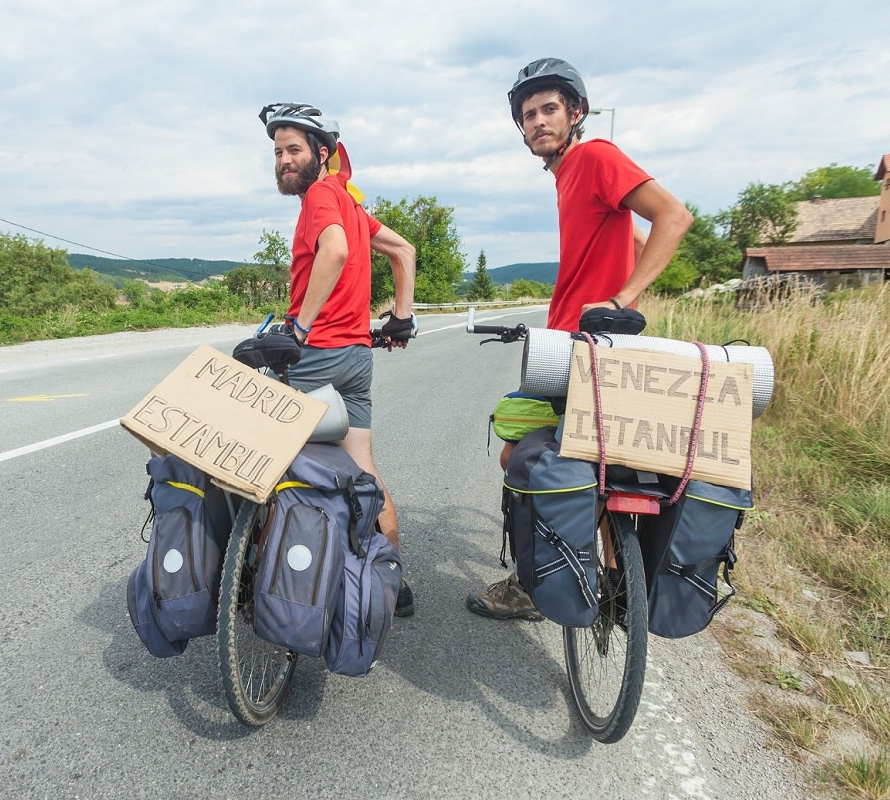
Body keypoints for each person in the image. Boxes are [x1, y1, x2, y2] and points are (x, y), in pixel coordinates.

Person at [466, 59, 693, 621]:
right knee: (600, 464)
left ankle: (534, 583)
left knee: (524, 457)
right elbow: (637, 234)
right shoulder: (570, 173)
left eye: (548, 110)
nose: (537, 122)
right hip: (587, 347)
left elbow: (674, 216)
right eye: (527, 115)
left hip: (582, 350)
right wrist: (628, 293)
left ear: (577, 113)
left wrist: (619, 302)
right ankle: (617, 584)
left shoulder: (594, 156)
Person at [259, 102, 419, 616]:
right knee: (363, 470)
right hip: (355, 357)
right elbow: (405, 251)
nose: (284, 160)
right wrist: (401, 317)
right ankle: (389, 581)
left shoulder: (323, 196)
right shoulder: (350, 204)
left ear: (321, 153)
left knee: (263, 464)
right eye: (278, 151)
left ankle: (274, 579)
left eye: (294, 150)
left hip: (316, 356)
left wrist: (298, 327)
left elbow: (333, 253)